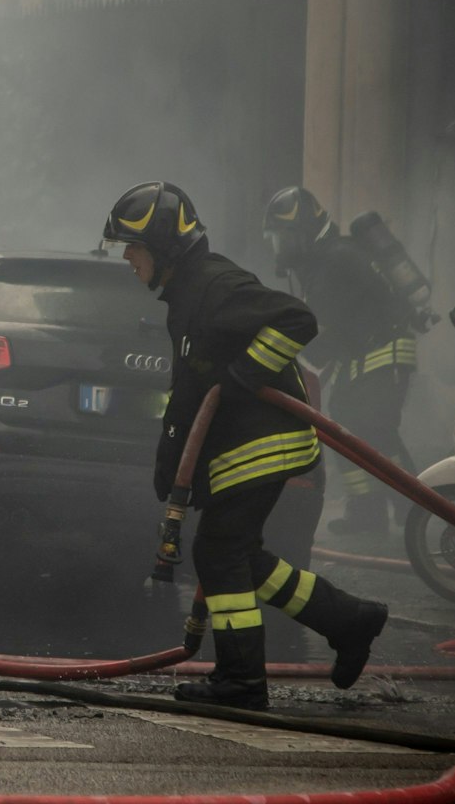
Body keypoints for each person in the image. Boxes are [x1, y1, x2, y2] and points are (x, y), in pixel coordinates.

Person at [101, 181, 387, 710]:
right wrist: (172, 464)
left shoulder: (216, 285)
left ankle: (241, 680)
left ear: (162, 246)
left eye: (133, 246)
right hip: (242, 450)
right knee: (235, 554)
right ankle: (348, 620)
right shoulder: (187, 295)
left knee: (218, 552)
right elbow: (190, 390)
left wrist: (245, 374)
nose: (126, 257)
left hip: (262, 446)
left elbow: (298, 320)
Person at [264, 186, 416, 537]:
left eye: (283, 238)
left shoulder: (334, 261)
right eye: (274, 240)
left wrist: (279, 365)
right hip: (363, 354)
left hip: (384, 350)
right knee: (348, 421)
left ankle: (413, 508)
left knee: (374, 428)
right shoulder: (324, 261)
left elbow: (323, 331)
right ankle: (367, 514)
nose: (279, 248)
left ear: (304, 233)